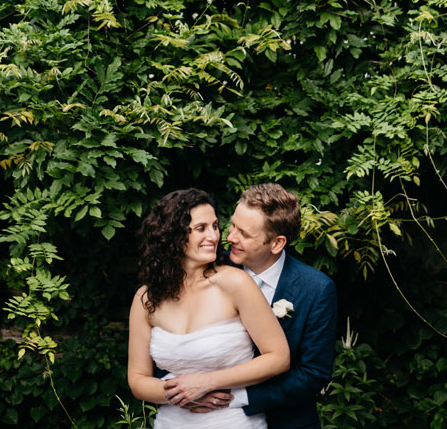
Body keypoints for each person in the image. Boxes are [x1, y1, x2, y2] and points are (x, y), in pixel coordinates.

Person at [128, 188, 290, 428]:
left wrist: (206, 383)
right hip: (172, 421)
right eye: (201, 228)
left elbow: (278, 357)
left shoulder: (235, 283)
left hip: (232, 420)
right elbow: (137, 379)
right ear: (172, 234)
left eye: (215, 226)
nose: (214, 236)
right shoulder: (146, 298)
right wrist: (179, 393)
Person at [185, 184, 338, 429]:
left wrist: (236, 398)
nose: (230, 237)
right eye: (232, 225)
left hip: (285, 423)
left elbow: (312, 374)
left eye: (244, 234)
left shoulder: (316, 290)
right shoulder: (210, 270)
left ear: (276, 243)